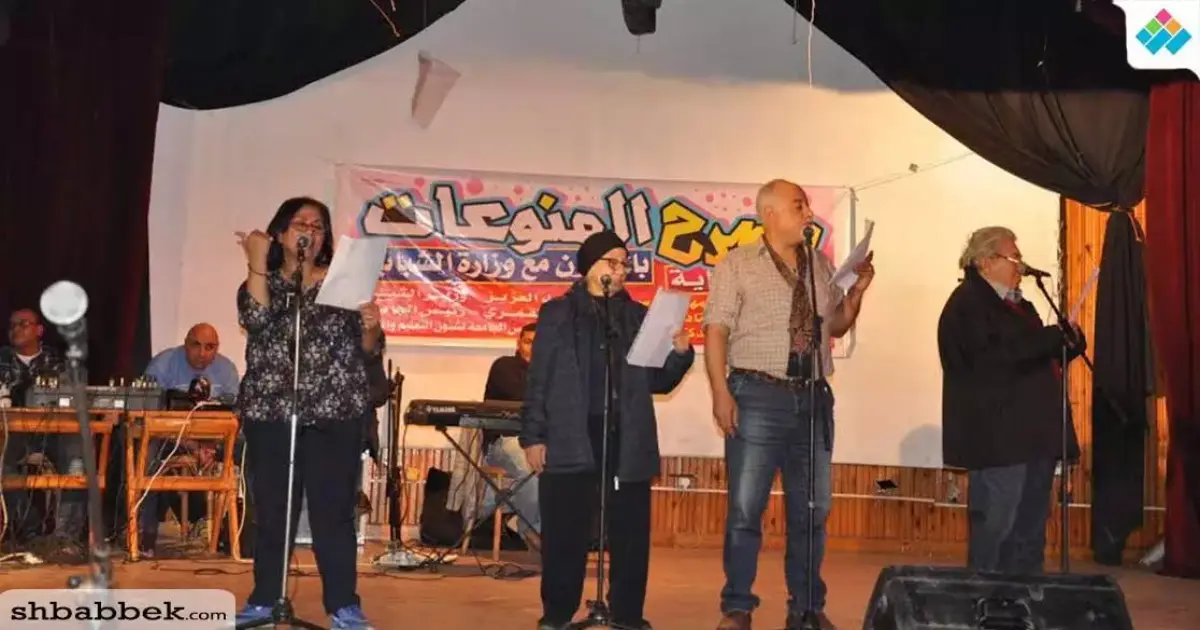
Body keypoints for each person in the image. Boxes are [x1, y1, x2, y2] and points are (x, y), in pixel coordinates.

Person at [704, 179, 874, 630]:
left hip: (813, 397)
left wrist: (856, 293)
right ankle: (737, 607)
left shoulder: (820, 264)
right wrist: (720, 391)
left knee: (813, 509)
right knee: (746, 509)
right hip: (757, 394)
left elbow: (836, 326)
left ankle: (807, 607)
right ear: (770, 214)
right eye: (799, 206)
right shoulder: (738, 264)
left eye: (808, 206)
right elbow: (716, 329)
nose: (808, 214)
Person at [521, 230, 694, 630]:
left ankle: (627, 613)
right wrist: (533, 436)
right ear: (589, 268)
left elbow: (657, 381)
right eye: (611, 263)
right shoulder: (557, 314)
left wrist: (680, 355)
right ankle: (558, 613)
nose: (620, 271)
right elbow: (538, 380)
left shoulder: (638, 317)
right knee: (564, 531)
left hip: (625, 436)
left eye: (624, 264)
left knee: (630, 533)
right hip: (570, 436)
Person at [233, 196, 383, 630]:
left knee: (333, 515)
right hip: (273, 412)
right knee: (273, 513)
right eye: (301, 223)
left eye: (318, 226)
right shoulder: (262, 282)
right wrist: (256, 260)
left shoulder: (345, 282)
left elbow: (369, 350)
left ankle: (344, 607)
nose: (310, 231)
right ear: (281, 232)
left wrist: (371, 326)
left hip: (335, 412)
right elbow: (254, 319)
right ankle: (265, 600)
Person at [937, 226, 1084, 574]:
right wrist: (1047, 340)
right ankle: (987, 595)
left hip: (1033, 434)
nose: (1021, 265)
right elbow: (989, 360)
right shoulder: (968, 304)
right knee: (997, 525)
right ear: (986, 262)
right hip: (999, 439)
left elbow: (1030, 357)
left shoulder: (1019, 305)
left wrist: (1067, 345)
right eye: (1013, 257)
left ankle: (1025, 595)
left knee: (1029, 530)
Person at [137, 322, 242, 557]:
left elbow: (234, 417)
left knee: (250, 449)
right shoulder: (163, 365)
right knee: (147, 453)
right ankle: (146, 535)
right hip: (170, 437)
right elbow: (150, 418)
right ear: (185, 344)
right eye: (196, 345)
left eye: (210, 347)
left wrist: (212, 447)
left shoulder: (227, 370)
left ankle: (237, 535)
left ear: (217, 348)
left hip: (213, 439)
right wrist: (193, 446)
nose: (202, 353)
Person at [477, 322, 541, 551]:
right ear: (519, 343)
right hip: (505, 441)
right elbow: (524, 398)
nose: (533, 348)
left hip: (540, 441)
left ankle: (515, 516)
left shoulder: (552, 371)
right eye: (528, 342)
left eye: (539, 343)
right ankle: (530, 528)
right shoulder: (504, 366)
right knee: (532, 469)